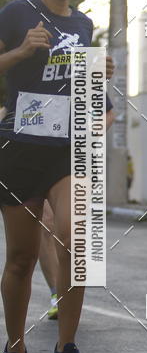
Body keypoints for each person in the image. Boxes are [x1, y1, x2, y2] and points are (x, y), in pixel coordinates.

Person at [0, 0, 113, 353]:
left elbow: (86, 91)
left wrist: (100, 86)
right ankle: (16, 352)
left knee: (77, 239)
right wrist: (22, 51)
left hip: (68, 150)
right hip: (20, 149)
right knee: (22, 259)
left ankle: (67, 348)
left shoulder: (84, 25)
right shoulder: (15, 13)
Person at [40, 107, 114, 319]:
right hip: (33, 154)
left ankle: (69, 291)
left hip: (72, 159)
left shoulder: (82, 74)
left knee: (69, 234)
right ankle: (56, 294)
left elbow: (108, 113)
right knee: (44, 223)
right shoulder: (25, 73)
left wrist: (89, 134)